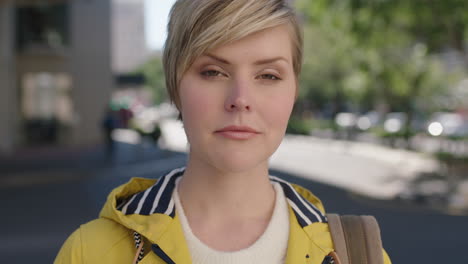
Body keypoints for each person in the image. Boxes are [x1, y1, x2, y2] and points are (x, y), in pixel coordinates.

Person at [55, 0, 391, 263]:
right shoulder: (89, 253)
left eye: (269, 76)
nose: (240, 100)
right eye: (213, 72)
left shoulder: (355, 254)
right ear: (175, 87)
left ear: (294, 92)